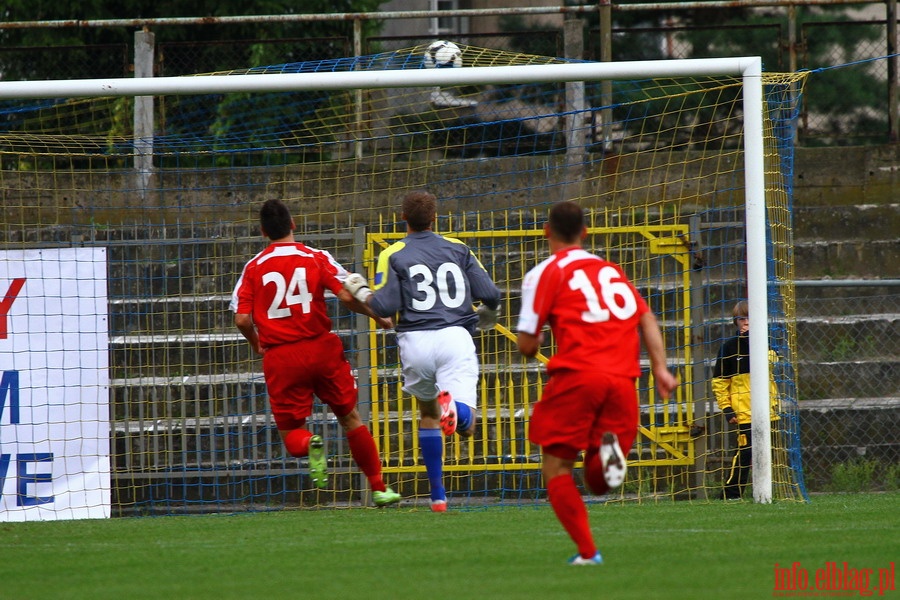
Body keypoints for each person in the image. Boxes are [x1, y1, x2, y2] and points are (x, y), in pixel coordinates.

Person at [515, 200, 678, 566]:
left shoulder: (544, 273)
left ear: (546, 231)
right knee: (598, 484)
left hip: (578, 375)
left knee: (557, 468)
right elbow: (647, 317)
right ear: (585, 233)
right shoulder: (610, 270)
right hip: (623, 379)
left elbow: (527, 345)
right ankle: (607, 455)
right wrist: (661, 369)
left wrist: (534, 341)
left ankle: (589, 553)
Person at [230, 198, 401, 507]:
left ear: (263, 232)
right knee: (351, 418)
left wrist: (256, 342)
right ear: (293, 224)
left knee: (291, 433)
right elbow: (347, 295)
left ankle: (310, 444)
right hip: (322, 349)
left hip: (282, 357)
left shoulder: (253, 267)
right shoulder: (315, 257)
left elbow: (241, 318)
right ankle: (379, 488)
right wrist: (378, 316)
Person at [342, 189, 502, 512]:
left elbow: (385, 306)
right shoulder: (459, 249)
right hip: (455, 338)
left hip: (415, 343)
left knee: (428, 413)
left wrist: (360, 290)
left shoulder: (394, 253)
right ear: (436, 218)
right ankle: (456, 412)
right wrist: (488, 313)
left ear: (403, 218)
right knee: (466, 425)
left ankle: (438, 496)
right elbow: (491, 293)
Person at [712, 300, 780, 500]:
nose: (746, 322)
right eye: (742, 318)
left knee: (769, 452)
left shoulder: (766, 343)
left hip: (768, 410)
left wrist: (754, 341)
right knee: (744, 453)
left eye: (750, 318)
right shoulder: (729, 348)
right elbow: (719, 382)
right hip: (743, 412)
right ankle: (731, 493)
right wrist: (726, 409)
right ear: (736, 321)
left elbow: (771, 362)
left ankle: (769, 490)